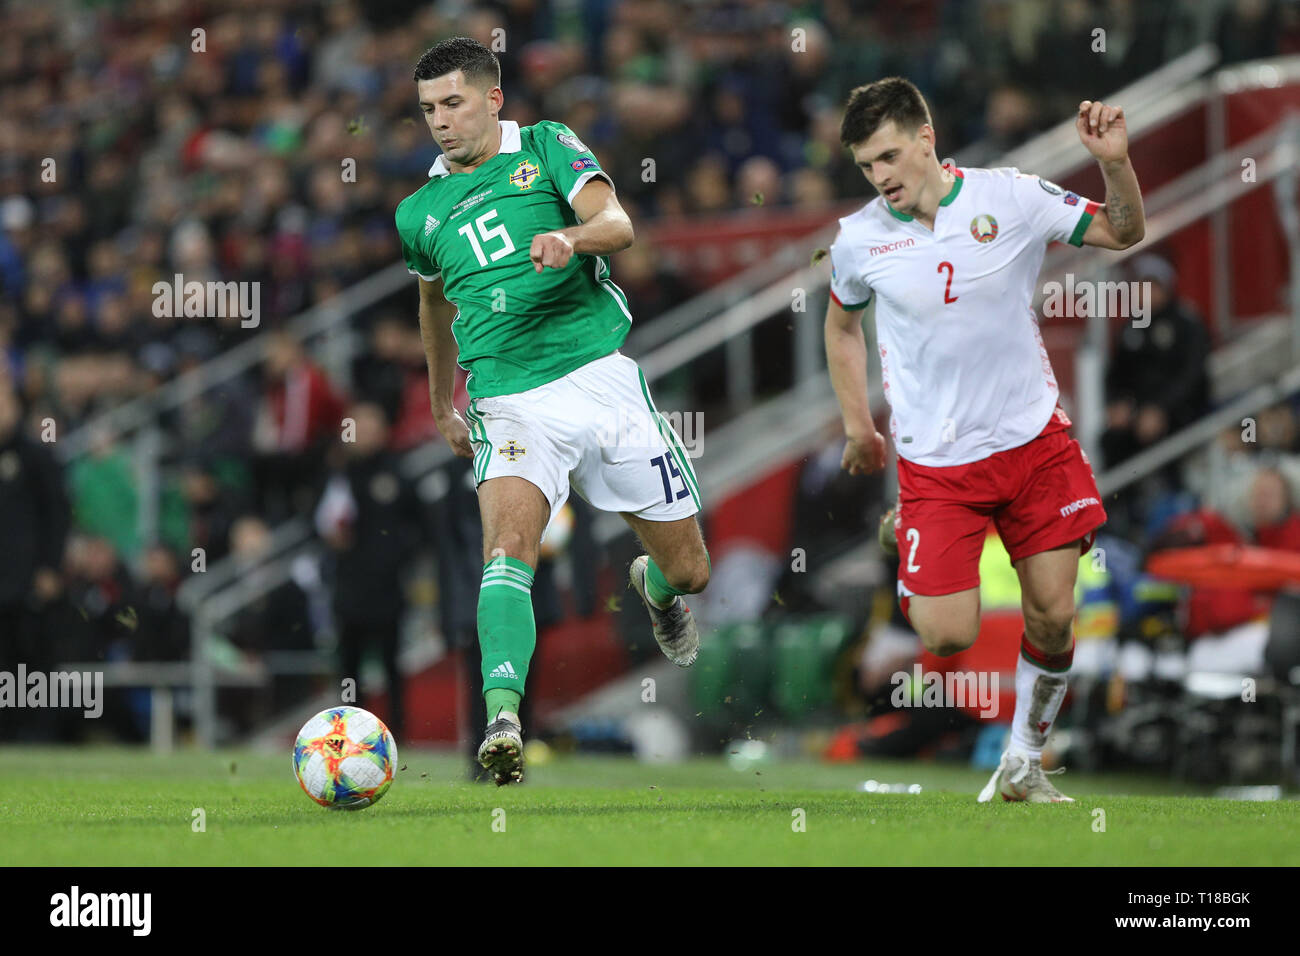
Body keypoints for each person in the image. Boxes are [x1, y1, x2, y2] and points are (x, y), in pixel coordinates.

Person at [394, 37, 711, 785]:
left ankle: (655, 588)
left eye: (453, 103)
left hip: (597, 375)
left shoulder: (547, 144)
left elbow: (619, 226)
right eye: (428, 110)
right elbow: (432, 303)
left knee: (692, 571)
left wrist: (569, 237)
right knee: (508, 547)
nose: (440, 121)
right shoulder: (419, 211)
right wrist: (445, 399)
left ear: (493, 99)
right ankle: (503, 717)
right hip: (506, 397)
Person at [823, 77, 1145, 802]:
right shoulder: (857, 241)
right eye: (866, 166)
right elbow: (841, 325)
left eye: (889, 157)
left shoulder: (1012, 197)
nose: (881, 178)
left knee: (1055, 617)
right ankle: (912, 528)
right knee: (943, 636)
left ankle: (1024, 762)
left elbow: (1123, 232)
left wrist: (1115, 163)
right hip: (937, 466)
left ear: (927, 138)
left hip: (1035, 444)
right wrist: (856, 422)